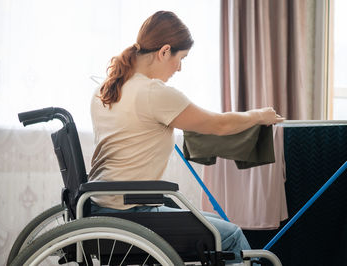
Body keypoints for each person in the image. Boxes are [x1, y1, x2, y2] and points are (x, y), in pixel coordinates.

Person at [88, 10, 285, 263]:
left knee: (217, 222)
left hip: (101, 205)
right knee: (230, 235)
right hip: (132, 211)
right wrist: (259, 115)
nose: (179, 68)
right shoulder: (152, 93)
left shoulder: (104, 90)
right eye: (180, 59)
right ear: (164, 51)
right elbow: (218, 124)